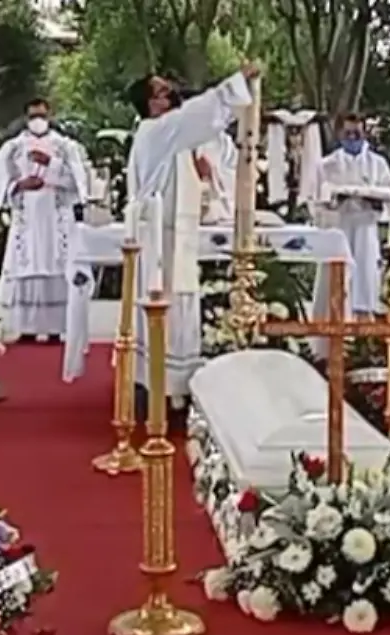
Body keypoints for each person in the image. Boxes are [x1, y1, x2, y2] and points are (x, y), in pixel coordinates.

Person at [124, 63, 257, 415]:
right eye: (163, 91)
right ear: (151, 104)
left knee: (178, 306)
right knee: (166, 308)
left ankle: (174, 385)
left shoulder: (167, 135)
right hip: (161, 240)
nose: (172, 94)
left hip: (175, 235)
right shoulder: (158, 130)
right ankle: (162, 387)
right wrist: (237, 83)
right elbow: (201, 112)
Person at [0, 97, 92, 344]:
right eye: (33, 116)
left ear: (50, 115)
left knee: (56, 265)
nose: (37, 120)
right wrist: (19, 185)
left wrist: (51, 164)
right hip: (27, 218)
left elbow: (79, 184)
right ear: (26, 117)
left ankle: (55, 328)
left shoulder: (65, 147)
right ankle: (25, 327)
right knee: (26, 265)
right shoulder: (14, 148)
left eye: (42, 115)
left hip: (56, 217)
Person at [316, 113, 390, 318]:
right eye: (347, 133)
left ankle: (364, 323)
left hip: (365, 227)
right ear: (339, 134)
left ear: (365, 133)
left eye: (357, 133)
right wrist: (334, 201)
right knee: (335, 278)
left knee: (365, 276)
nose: (352, 138)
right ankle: (332, 323)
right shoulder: (327, 164)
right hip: (338, 228)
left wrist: (374, 200)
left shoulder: (378, 163)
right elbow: (318, 199)